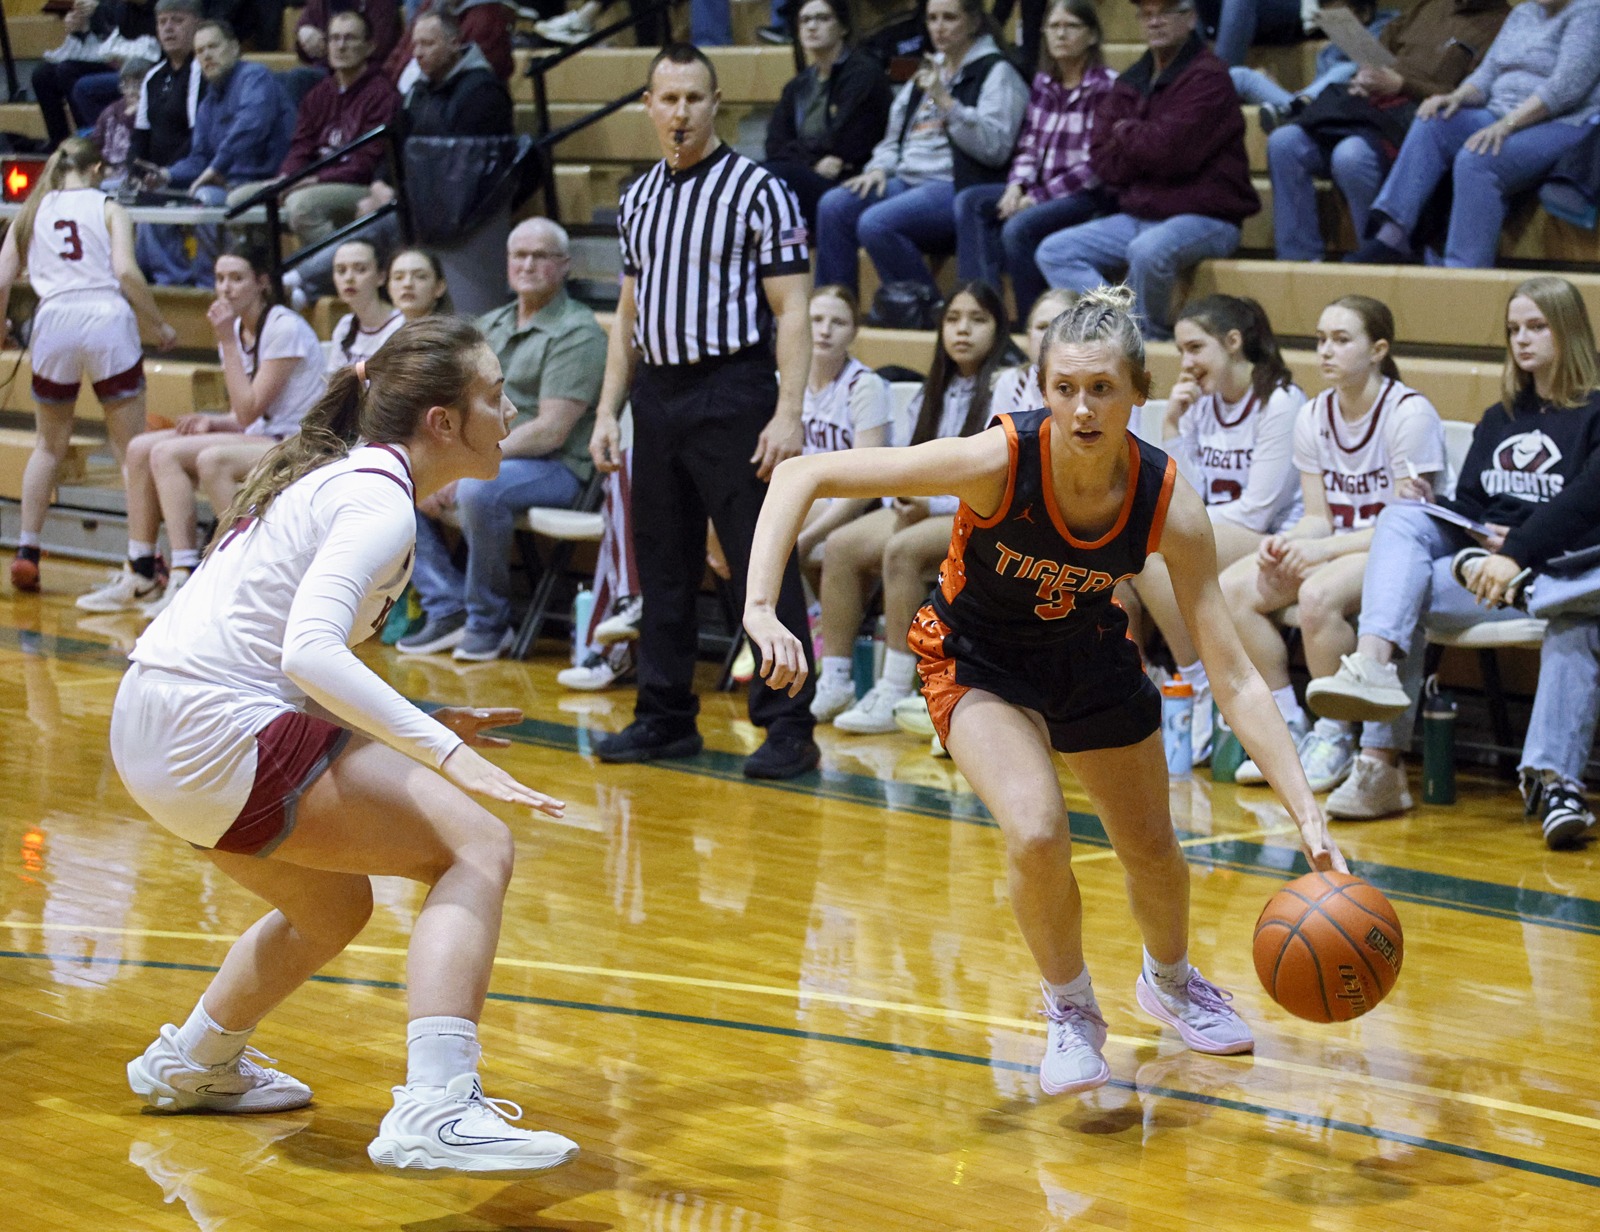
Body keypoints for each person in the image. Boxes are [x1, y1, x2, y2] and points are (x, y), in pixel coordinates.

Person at [743, 285, 1345, 1096]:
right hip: (976, 659)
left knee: (1153, 850)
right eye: (1065, 388)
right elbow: (804, 472)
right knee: (1035, 831)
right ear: (1042, 389)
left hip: (1086, 654)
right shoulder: (999, 460)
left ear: (1138, 392)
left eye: (1102, 388)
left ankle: (1170, 982)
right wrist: (760, 606)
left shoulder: (1167, 500)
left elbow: (1233, 674)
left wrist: (1306, 811)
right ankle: (1070, 1009)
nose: (1083, 408)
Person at [114, 315, 581, 1177]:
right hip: (213, 727)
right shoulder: (377, 500)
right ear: (443, 421)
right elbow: (308, 654)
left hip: (154, 726)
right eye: (495, 395)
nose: (511, 412)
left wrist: (425, 718)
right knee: (477, 846)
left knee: (332, 908)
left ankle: (197, 1059)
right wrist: (443, 750)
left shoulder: (345, 481)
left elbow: (292, 659)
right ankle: (437, 1108)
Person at [588, 43, 819, 781]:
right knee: (662, 561)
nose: (681, 111)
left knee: (759, 561)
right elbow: (627, 317)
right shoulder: (637, 198)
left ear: (716, 104)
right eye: (669, 98)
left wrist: (788, 411)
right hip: (657, 394)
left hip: (733, 388)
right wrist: (607, 411)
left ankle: (789, 724)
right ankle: (664, 715)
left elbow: (793, 309)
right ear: (649, 106)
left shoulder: (759, 190)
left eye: (694, 97)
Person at [1305, 277, 1600, 827]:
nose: (1522, 339)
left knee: (1576, 618)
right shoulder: (1501, 416)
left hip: (1559, 576)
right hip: (1488, 574)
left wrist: (1518, 552)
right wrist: (1440, 507)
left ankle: (1554, 788)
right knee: (1403, 521)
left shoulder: (1595, 413)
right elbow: (1473, 504)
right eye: (1514, 329)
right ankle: (1376, 725)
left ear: (1569, 330)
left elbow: (1586, 504)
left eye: (1537, 326)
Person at [1218, 295, 1446, 797]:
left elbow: (1408, 525)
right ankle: (1285, 722)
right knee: (1233, 589)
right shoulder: (1314, 414)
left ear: (1378, 350)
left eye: (1341, 340)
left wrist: (1321, 551)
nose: (1326, 350)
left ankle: (1335, 733)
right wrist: (1288, 543)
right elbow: (1318, 517)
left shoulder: (1410, 414)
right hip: (1340, 546)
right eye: (1321, 339)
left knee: (1317, 595)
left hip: (1394, 553)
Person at [79, 244, 325, 615]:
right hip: (264, 433)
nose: (225, 288)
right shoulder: (239, 327)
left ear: (262, 283)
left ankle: (185, 571)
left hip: (298, 440)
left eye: (236, 278)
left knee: (167, 453)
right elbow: (242, 414)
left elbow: (249, 411)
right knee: (140, 448)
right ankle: (141, 569)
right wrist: (212, 421)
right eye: (220, 278)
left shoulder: (283, 327)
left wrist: (225, 340)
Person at [400, 219, 606, 662]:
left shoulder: (578, 330)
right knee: (399, 472)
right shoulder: (487, 325)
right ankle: (446, 604)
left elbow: (550, 430)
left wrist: (466, 465)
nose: (528, 265)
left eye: (541, 256)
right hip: (492, 456)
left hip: (558, 468)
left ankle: (488, 624)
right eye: (519, 255)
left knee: (479, 488)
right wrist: (444, 461)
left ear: (564, 265)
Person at [811, 280, 1012, 733]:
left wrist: (929, 502)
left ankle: (895, 687)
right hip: (921, 507)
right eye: (953, 319)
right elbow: (897, 462)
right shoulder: (928, 392)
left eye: (977, 320)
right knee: (841, 544)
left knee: (902, 551)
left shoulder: (1003, 388)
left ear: (998, 330)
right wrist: (901, 498)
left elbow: (994, 476)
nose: (963, 330)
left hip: (974, 513)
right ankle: (836, 678)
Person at [1128, 295, 1304, 761]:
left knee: (1154, 542)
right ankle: (1198, 682)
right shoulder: (1199, 404)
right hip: (1218, 536)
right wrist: (1172, 425)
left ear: (1233, 341)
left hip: (1276, 541)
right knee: (1146, 550)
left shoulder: (1281, 402)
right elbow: (1185, 494)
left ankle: (1198, 681)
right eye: (1181, 351)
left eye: (1195, 348)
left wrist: (1178, 525)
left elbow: (1257, 511)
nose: (1186, 362)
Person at [0, 139, 178, 595]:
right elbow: (126, 272)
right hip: (106, 320)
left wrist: (1, 328)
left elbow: (1, 279)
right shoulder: (109, 207)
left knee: (47, 447)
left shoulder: (29, 212)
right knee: (129, 450)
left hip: (53, 321)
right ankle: (142, 557)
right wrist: (158, 323)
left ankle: (27, 550)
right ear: (97, 167)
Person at [1036, 0, 1258, 341]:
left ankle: (1148, 341)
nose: (1155, 22)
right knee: (1054, 252)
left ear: (1190, 18)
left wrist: (1125, 132)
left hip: (1207, 217)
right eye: (1147, 14)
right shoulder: (1132, 78)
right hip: (1142, 213)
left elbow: (1172, 154)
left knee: (1147, 251)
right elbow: (1103, 159)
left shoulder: (1210, 78)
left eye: (1166, 12)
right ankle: (1125, 328)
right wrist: (1145, 142)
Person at [1349, 0, 1600, 268]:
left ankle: (1463, 268)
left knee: (1477, 158)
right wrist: (1455, 97)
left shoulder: (1589, 12)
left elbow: (1565, 89)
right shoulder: (1523, 13)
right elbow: (1487, 73)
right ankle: (1392, 235)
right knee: (1433, 121)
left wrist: (1508, 124)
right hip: (1500, 111)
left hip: (1562, 122)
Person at [1266, 0, 1511, 262]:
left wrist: (1403, 85)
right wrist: (1366, 74)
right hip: (1369, 100)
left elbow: (1474, 95)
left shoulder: (1502, 22)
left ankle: (1375, 260)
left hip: (1418, 113)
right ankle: (1299, 261)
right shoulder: (1428, 4)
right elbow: (1383, 46)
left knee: (1350, 156)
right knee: (1283, 142)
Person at [813, 0, 1027, 296]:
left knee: (876, 223)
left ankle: (928, 310)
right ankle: (834, 307)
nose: (938, 27)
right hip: (906, 178)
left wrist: (947, 103)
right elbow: (894, 138)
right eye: (932, 18)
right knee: (834, 206)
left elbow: (995, 148)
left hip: (954, 183)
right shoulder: (929, 69)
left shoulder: (997, 72)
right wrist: (878, 168)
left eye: (949, 18)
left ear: (974, 22)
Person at [952, 0, 1115, 317]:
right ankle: (985, 311)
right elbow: (1028, 144)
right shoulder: (1043, 83)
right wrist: (1016, 186)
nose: (1060, 34)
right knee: (971, 201)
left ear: (1092, 35)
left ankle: (1034, 320)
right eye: (1053, 27)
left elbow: (1096, 167)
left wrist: (1037, 197)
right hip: (1040, 190)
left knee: (1018, 228)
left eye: (1071, 26)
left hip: (1086, 195)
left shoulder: (1107, 85)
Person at [136, 19, 297, 287]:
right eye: (200, 51)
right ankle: (173, 283)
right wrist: (165, 175)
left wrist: (215, 168)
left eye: (213, 47)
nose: (207, 56)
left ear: (234, 48)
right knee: (153, 199)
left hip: (263, 182)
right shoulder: (208, 102)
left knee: (205, 197)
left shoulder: (255, 77)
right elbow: (199, 158)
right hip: (224, 184)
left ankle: (209, 283)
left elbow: (250, 129)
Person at [230, 11, 401, 248]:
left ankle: (339, 265)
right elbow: (301, 146)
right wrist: (286, 178)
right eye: (334, 38)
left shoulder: (383, 94)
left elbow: (365, 164)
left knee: (302, 205)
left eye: (350, 38)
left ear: (369, 46)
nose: (341, 46)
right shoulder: (319, 94)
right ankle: (263, 267)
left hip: (359, 185)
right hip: (313, 181)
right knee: (239, 200)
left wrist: (312, 180)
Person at [794, 284, 894, 596]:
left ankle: (808, 614)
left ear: (854, 333)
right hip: (806, 498)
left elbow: (864, 488)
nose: (825, 331)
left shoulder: (865, 386)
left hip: (855, 506)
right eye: (816, 320)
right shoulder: (788, 382)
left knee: (777, 520)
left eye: (838, 323)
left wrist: (809, 538)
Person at [763, 0, 893, 229]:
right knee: (749, 175)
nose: (812, 26)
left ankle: (786, 244)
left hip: (852, 180)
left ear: (843, 28)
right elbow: (775, 144)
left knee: (770, 177)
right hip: (812, 172)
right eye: (805, 20)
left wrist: (802, 158)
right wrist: (812, 163)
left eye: (823, 18)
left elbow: (842, 140)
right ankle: (781, 245)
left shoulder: (863, 74)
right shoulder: (798, 85)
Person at [34, 0, 159, 151]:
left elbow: (123, 34)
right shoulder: (122, 7)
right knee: (43, 75)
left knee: (69, 74)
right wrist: (80, 27)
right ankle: (59, 143)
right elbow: (107, 33)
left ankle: (87, 142)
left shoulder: (140, 7)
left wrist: (97, 14)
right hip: (106, 55)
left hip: (136, 63)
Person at [327, 238, 404, 371]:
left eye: (360, 269)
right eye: (341, 270)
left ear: (381, 277)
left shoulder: (402, 325)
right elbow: (333, 379)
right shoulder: (345, 325)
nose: (348, 278)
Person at [91, 56, 156, 188]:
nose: (131, 91)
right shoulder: (110, 112)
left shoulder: (155, 112)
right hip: (107, 172)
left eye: (138, 86)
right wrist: (101, 168)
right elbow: (94, 147)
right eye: (126, 85)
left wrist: (135, 115)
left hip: (137, 175)